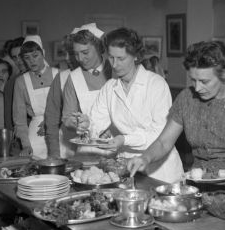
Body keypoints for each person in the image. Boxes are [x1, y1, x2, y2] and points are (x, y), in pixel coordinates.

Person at [127, 40, 225, 178]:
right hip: (198, 186)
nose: (198, 88)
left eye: (204, 81)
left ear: (224, 75)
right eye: (194, 80)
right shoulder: (187, 98)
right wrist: (145, 158)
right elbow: (163, 142)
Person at [77, 28, 183, 182]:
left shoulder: (156, 85)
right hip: (127, 167)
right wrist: (87, 125)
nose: (114, 65)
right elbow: (95, 124)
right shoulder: (110, 88)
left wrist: (124, 140)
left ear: (135, 56)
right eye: (111, 58)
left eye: (121, 58)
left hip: (161, 171)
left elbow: (161, 135)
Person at [62, 23, 112, 156]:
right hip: (89, 148)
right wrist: (75, 123)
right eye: (76, 54)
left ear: (99, 47)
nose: (80, 59)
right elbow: (67, 117)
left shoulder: (116, 70)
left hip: (118, 145)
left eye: (85, 53)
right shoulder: (74, 78)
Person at [13, 35, 58, 158]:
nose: (31, 61)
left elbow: (68, 108)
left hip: (59, 131)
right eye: (27, 58)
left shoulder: (58, 75)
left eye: (35, 56)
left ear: (43, 54)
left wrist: (52, 121)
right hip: (36, 135)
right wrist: (26, 145)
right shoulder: (21, 81)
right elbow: (19, 118)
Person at [44, 37, 79, 158]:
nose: (67, 58)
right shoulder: (61, 78)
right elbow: (52, 119)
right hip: (68, 147)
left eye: (72, 53)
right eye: (67, 53)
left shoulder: (107, 76)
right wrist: (54, 153)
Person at [4, 37, 25, 131]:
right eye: (14, 57)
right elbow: (8, 117)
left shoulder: (45, 76)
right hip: (22, 134)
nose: (18, 61)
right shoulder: (12, 83)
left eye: (21, 56)